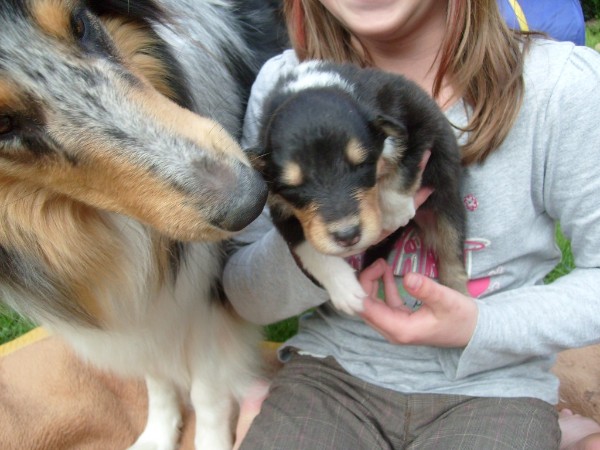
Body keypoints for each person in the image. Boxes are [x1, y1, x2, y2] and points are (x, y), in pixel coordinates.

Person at [223, 0, 600, 448]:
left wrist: (480, 325)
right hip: (332, 376)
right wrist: (323, 256)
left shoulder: (563, 87)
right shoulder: (282, 88)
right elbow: (241, 293)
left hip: (492, 386)